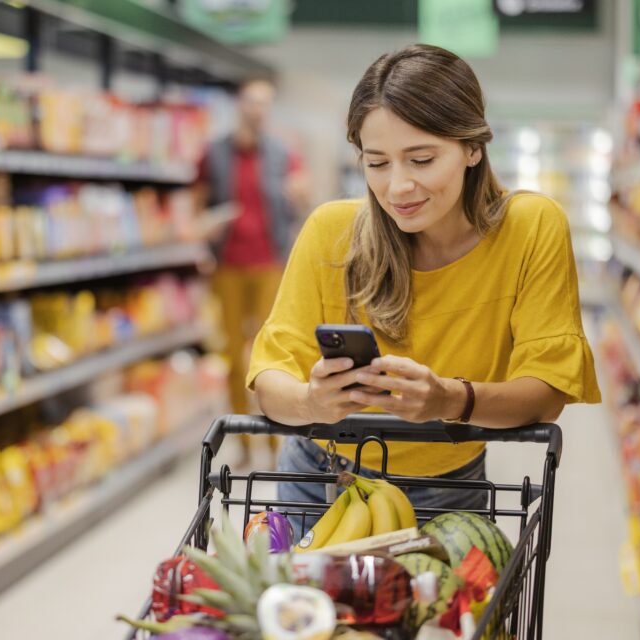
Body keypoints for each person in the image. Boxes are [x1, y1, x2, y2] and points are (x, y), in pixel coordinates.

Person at [245, 44, 601, 537]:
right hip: (318, 479)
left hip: (447, 488)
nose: (398, 188)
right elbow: (269, 378)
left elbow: (546, 393)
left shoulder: (530, 228)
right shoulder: (331, 232)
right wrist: (312, 403)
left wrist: (447, 400)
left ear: (473, 147)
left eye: (421, 159)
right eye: (378, 163)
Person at [198, 76, 309, 465]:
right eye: (251, 102)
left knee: (271, 356)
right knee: (231, 353)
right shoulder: (214, 153)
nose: (257, 109)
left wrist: (299, 194)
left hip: (270, 264)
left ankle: (276, 441)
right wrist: (204, 228)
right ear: (239, 106)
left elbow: (301, 194)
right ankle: (242, 441)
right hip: (227, 264)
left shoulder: (282, 152)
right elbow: (198, 202)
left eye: (265, 103)